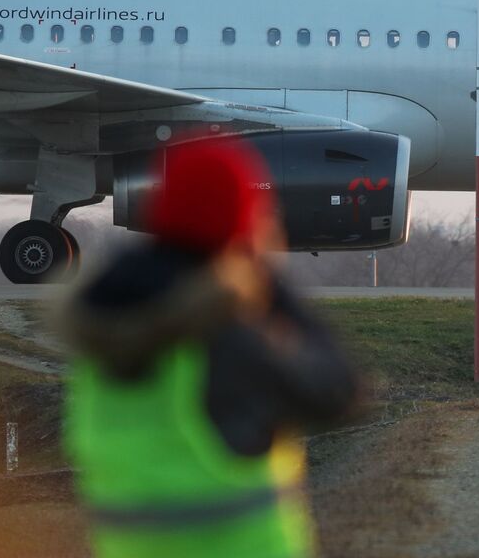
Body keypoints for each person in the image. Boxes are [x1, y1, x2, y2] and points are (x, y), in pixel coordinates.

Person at [59, 137, 361, 558]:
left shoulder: (101, 336)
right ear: (241, 227)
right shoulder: (229, 340)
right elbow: (338, 391)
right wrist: (266, 280)